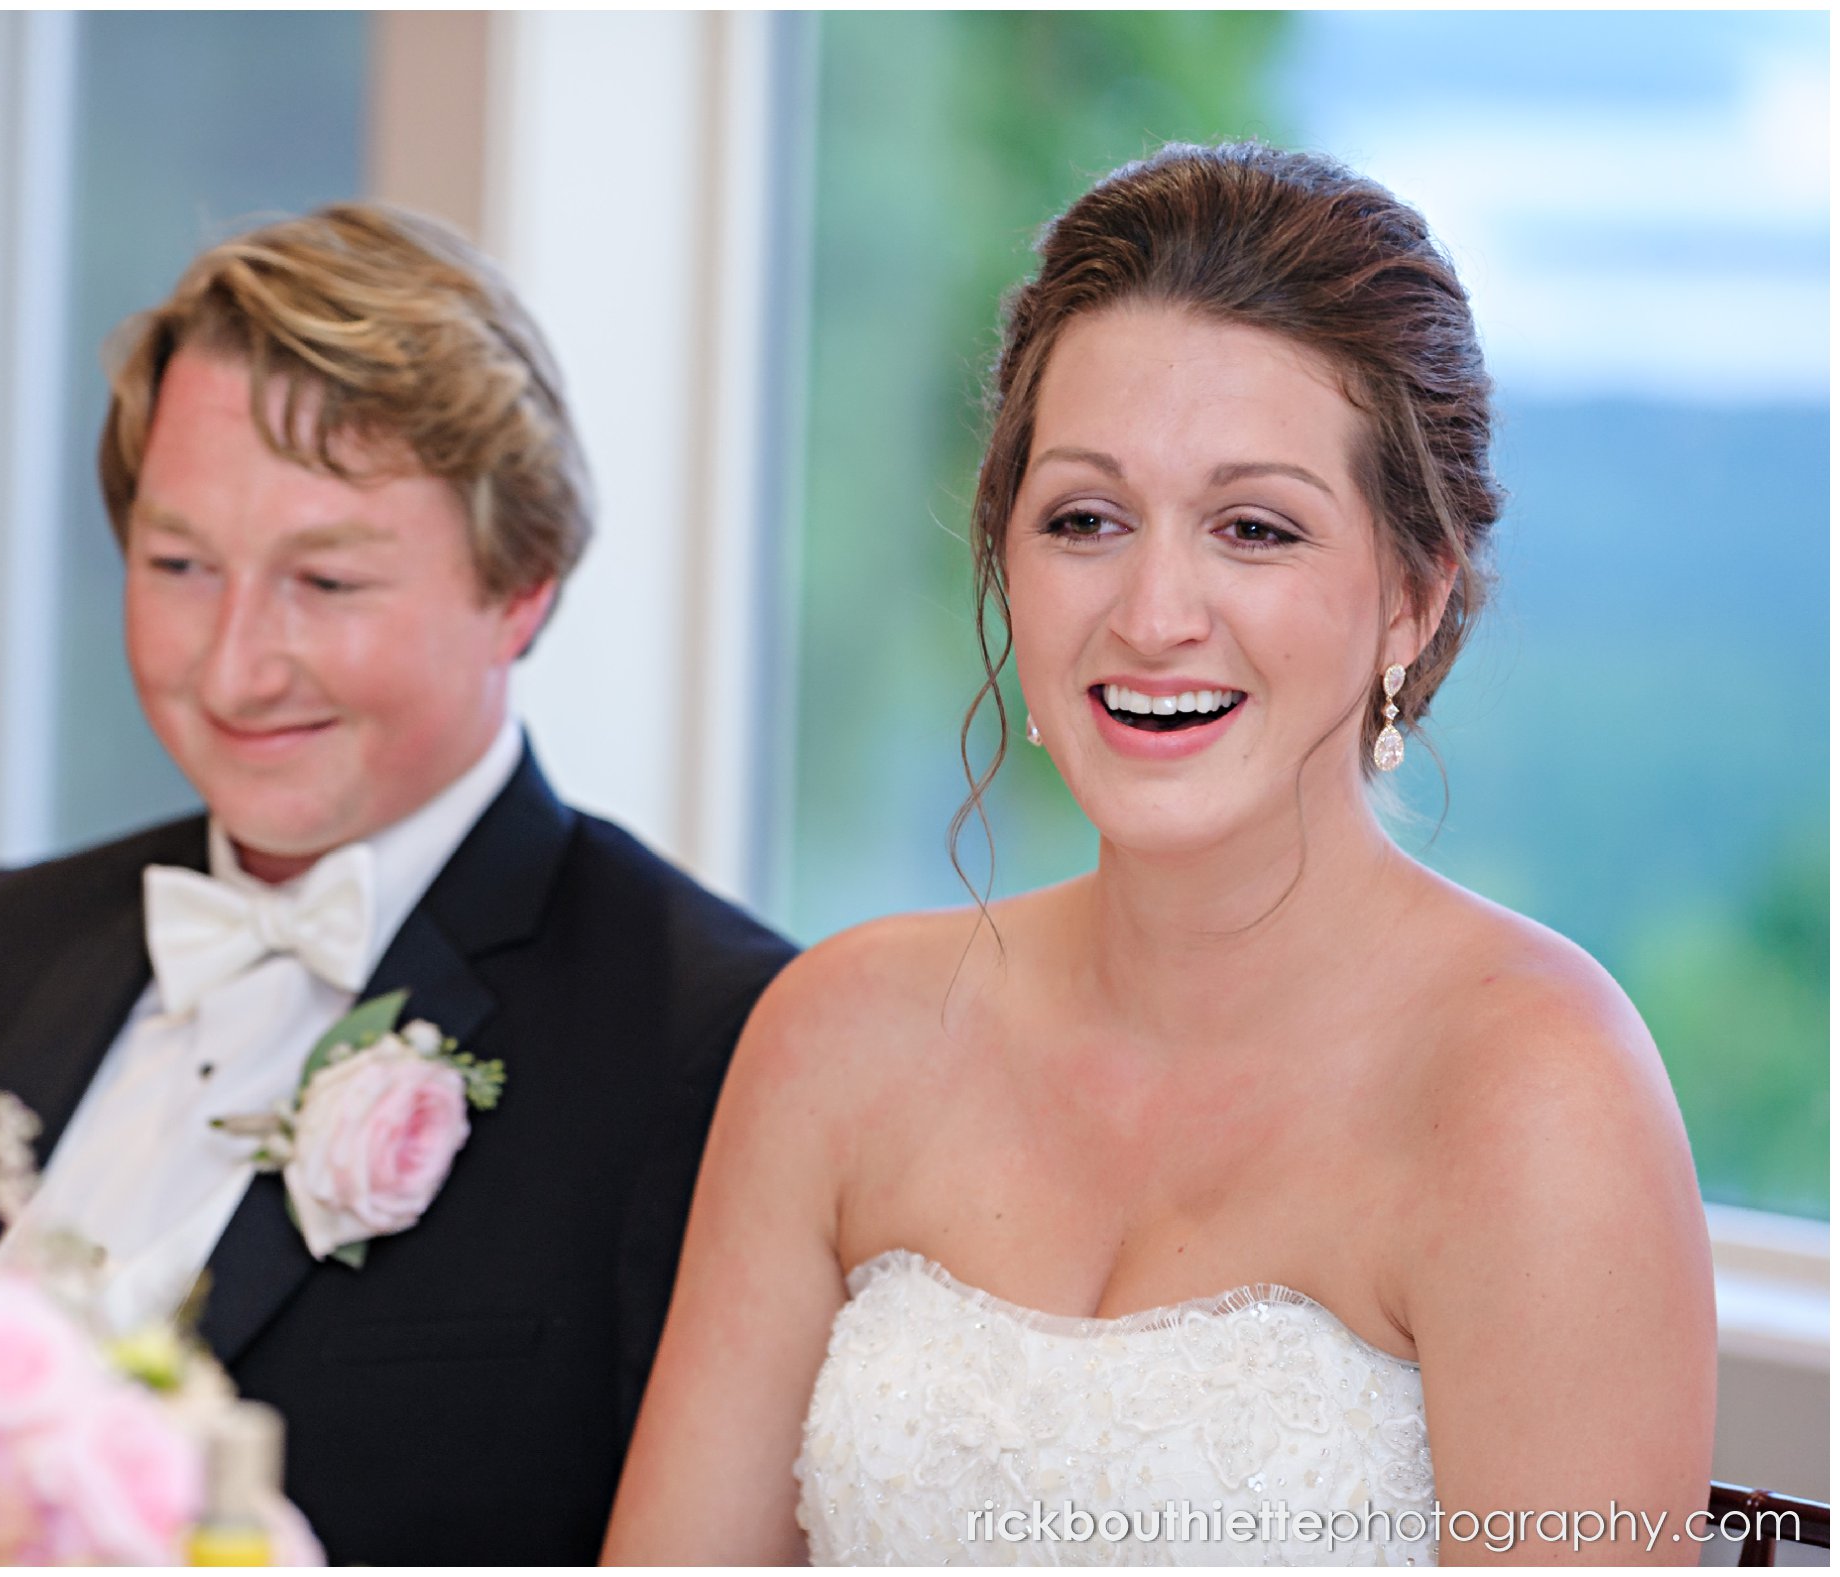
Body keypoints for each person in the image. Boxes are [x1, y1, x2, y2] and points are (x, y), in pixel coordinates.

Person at [603, 143, 1715, 1566]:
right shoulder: (836, 1033)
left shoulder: (1536, 1096)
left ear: (1413, 602)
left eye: (1254, 528)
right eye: (1086, 520)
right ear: (1006, 555)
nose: (1153, 610)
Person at [0, 203, 796, 1564]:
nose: (232, 666)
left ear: (521, 588)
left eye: (325, 578)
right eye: (179, 566)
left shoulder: (716, 1042)